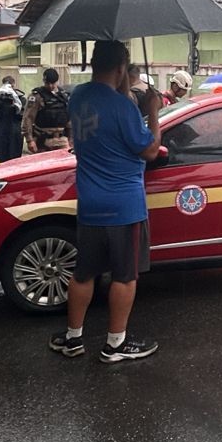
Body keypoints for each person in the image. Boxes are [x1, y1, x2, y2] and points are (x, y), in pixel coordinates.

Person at [49, 40, 162, 364]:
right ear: (121, 68)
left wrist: (123, 81)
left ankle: (72, 338)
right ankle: (115, 345)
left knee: (84, 273)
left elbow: (111, 117)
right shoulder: (123, 107)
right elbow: (150, 150)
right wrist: (152, 110)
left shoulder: (79, 97)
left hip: (90, 204)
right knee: (125, 276)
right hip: (124, 208)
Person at [23, 68, 71, 154]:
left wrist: (71, 138)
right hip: (43, 140)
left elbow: (69, 118)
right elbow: (28, 118)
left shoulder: (63, 95)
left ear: (57, 81)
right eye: (47, 83)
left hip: (62, 140)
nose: (50, 86)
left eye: (52, 83)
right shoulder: (37, 96)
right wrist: (29, 140)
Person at [0, 76, 25, 161]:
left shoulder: (20, 99)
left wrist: (14, 106)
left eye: (11, 87)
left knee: (14, 160)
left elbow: (22, 115)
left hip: (14, 135)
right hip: (0, 135)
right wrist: (3, 104)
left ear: (14, 85)